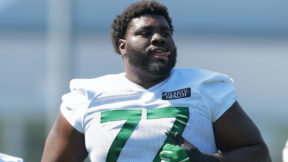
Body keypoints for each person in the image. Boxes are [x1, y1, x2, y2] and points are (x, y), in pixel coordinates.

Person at [41, 1, 271, 162]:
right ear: (123, 46)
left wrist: (208, 161)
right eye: (145, 33)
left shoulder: (204, 87)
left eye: (166, 32)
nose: (159, 38)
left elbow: (258, 154)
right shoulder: (87, 97)